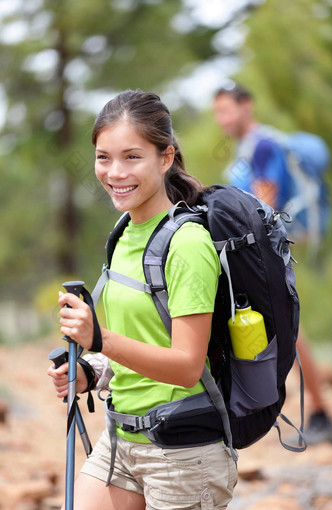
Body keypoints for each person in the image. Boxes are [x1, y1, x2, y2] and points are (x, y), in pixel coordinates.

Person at [48, 89, 238, 510]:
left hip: (182, 454)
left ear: (166, 158)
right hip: (119, 439)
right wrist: (91, 371)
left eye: (132, 157)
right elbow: (137, 341)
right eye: (103, 157)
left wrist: (100, 340)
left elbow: (187, 367)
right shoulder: (123, 234)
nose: (115, 172)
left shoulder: (187, 243)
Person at [213, 82, 332, 446]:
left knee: (292, 331)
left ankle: (318, 413)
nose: (221, 119)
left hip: (271, 252)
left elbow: (263, 204)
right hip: (264, 251)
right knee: (286, 330)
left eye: (226, 110)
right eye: (217, 112)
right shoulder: (249, 147)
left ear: (246, 106)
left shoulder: (263, 145)